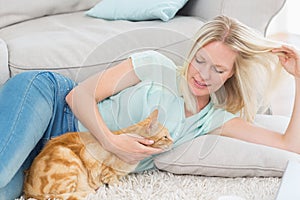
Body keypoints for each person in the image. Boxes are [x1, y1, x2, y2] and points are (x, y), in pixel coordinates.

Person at [0, 15, 299, 199]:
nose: (203, 75)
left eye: (218, 70)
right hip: (49, 108)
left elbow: (289, 144)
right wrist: (113, 142)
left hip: (60, 164)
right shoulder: (158, 66)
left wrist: (299, 78)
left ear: (233, 73)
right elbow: (77, 97)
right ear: (192, 52)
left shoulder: (212, 119)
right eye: (200, 60)